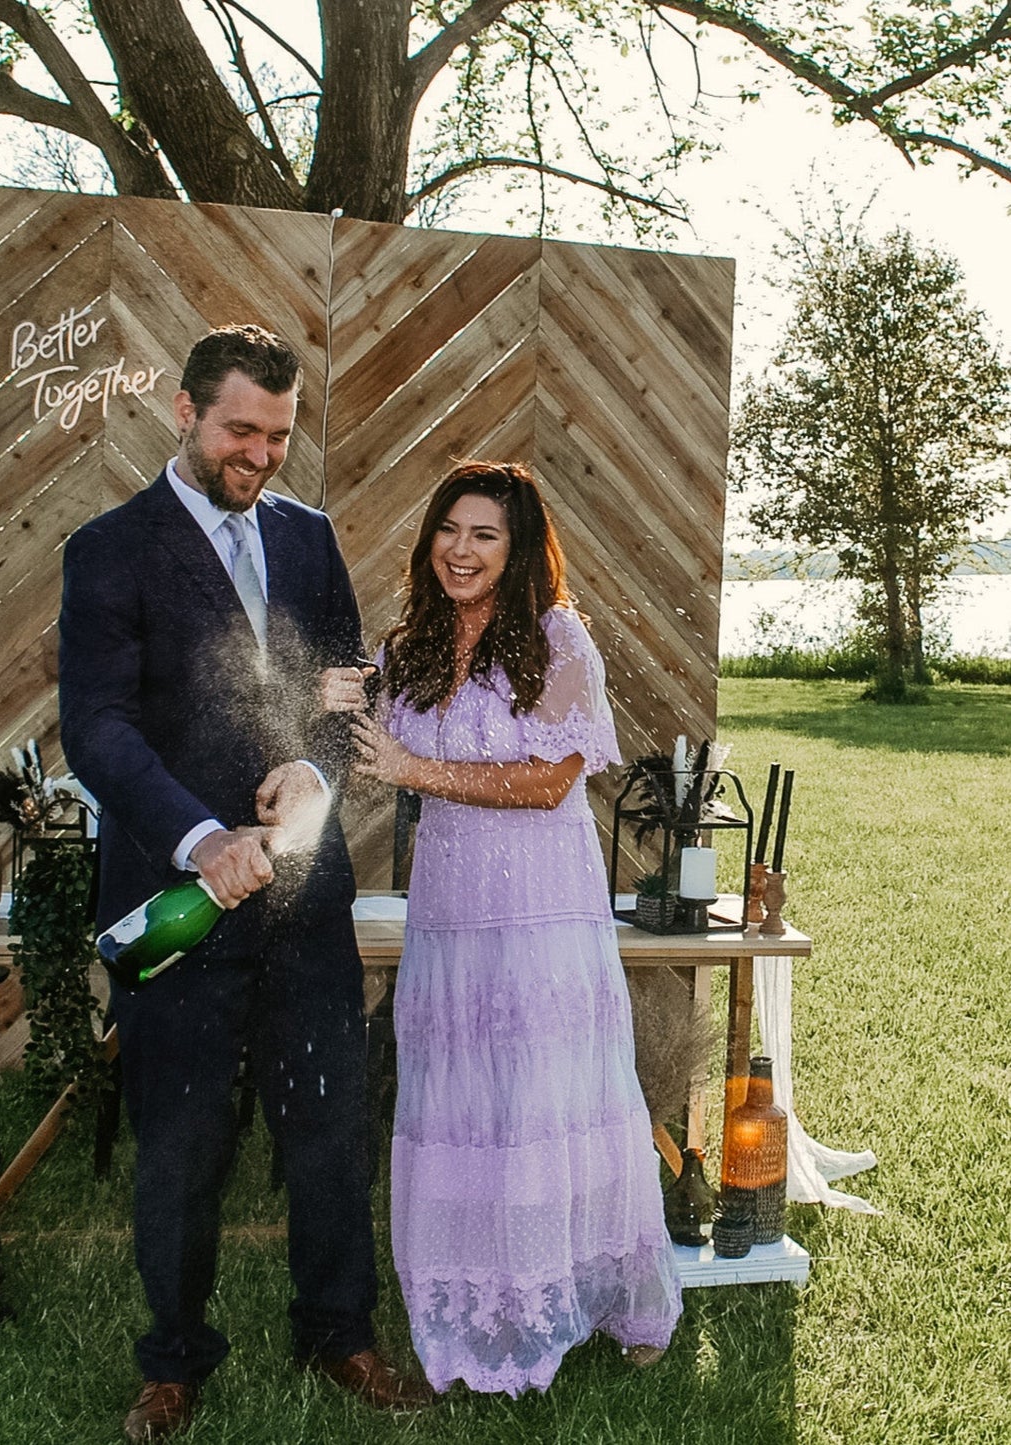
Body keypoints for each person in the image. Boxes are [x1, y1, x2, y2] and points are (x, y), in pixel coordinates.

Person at [58, 324, 432, 1441]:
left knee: (325, 1124)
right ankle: (173, 1358)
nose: (260, 452)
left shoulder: (310, 539)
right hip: (178, 898)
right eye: (238, 429)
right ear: (182, 411)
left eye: (277, 433)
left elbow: (343, 695)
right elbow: (98, 727)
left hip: (302, 900)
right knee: (179, 1138)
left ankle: (341, 1333)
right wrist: (195, 836)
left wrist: (313, 777)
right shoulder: (108, 547)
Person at [351, 460, 682, 1396]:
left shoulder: (555, 637)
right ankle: (479, 1307)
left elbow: (548, 784)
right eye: (448, 530)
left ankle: (604, 1295)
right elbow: (372, 745)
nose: (460, 550)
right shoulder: (409, 644)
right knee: (465, 1105)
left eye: (483, 535)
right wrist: (341, 705)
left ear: (520, 546)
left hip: (540, 911)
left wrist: (417, 773)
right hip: (450, 913)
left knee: (547, 1102)